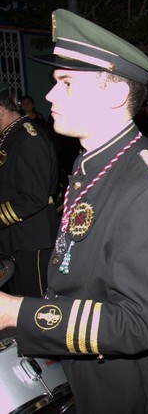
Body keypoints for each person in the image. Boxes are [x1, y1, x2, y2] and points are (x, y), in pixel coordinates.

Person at [0, 9, 148, 414]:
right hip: (82, 359)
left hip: (119, 383)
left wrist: (18, 312)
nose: (49, 95)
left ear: (114, 94)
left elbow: (139, 324)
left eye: (65, 83)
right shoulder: (95, 162)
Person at [0, 84, 59, 297]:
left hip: (32, 238)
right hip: (15, 237)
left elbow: (35, 197)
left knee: (35, 306)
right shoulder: (9, 136)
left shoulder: (29, 138)